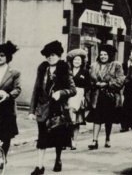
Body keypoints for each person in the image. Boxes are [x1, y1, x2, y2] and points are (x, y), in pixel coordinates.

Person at [29, 40, 76, 174]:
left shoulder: (65, 69)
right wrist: (32, 110)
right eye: (48, 55)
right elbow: (36, 90)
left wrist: (61, 93)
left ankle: (58, 159)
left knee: (58, 137)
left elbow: (73, 90)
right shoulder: (43, 69)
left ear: (59, 55)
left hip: (58, 109)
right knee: (42, 137)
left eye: (53, 55)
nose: (50, 57)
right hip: (43, 109)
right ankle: (39, 166)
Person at [86, 44, 125, 149]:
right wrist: (95, 84)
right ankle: (94, 140)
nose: (103, 56)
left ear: (110, 55)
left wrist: (108, 84)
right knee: (97, 118)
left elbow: (121, 80)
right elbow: (89, 79)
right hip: (97, 96)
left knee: (108, 118)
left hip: (110, 95)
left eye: (105, 54)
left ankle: (107, 138)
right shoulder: (94, 66)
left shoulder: (116, 65)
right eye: (101, 54)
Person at [66, 49, 90, 150]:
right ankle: (66, 140)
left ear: (82, 62)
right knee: (67, 119)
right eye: (75, 60)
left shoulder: (85, 72)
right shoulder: (68, 71)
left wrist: (83, 95)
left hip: (79, 96)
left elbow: (88, 85)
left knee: (76, 121)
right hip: (68, 96)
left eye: (79, 60)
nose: (77, 62)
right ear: (72, 61)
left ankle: (74, 141)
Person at [120, 49, 132, 132]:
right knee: (125, 107)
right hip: (127, 89)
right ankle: (124, 125)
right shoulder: (124, 65)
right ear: (130, 57)